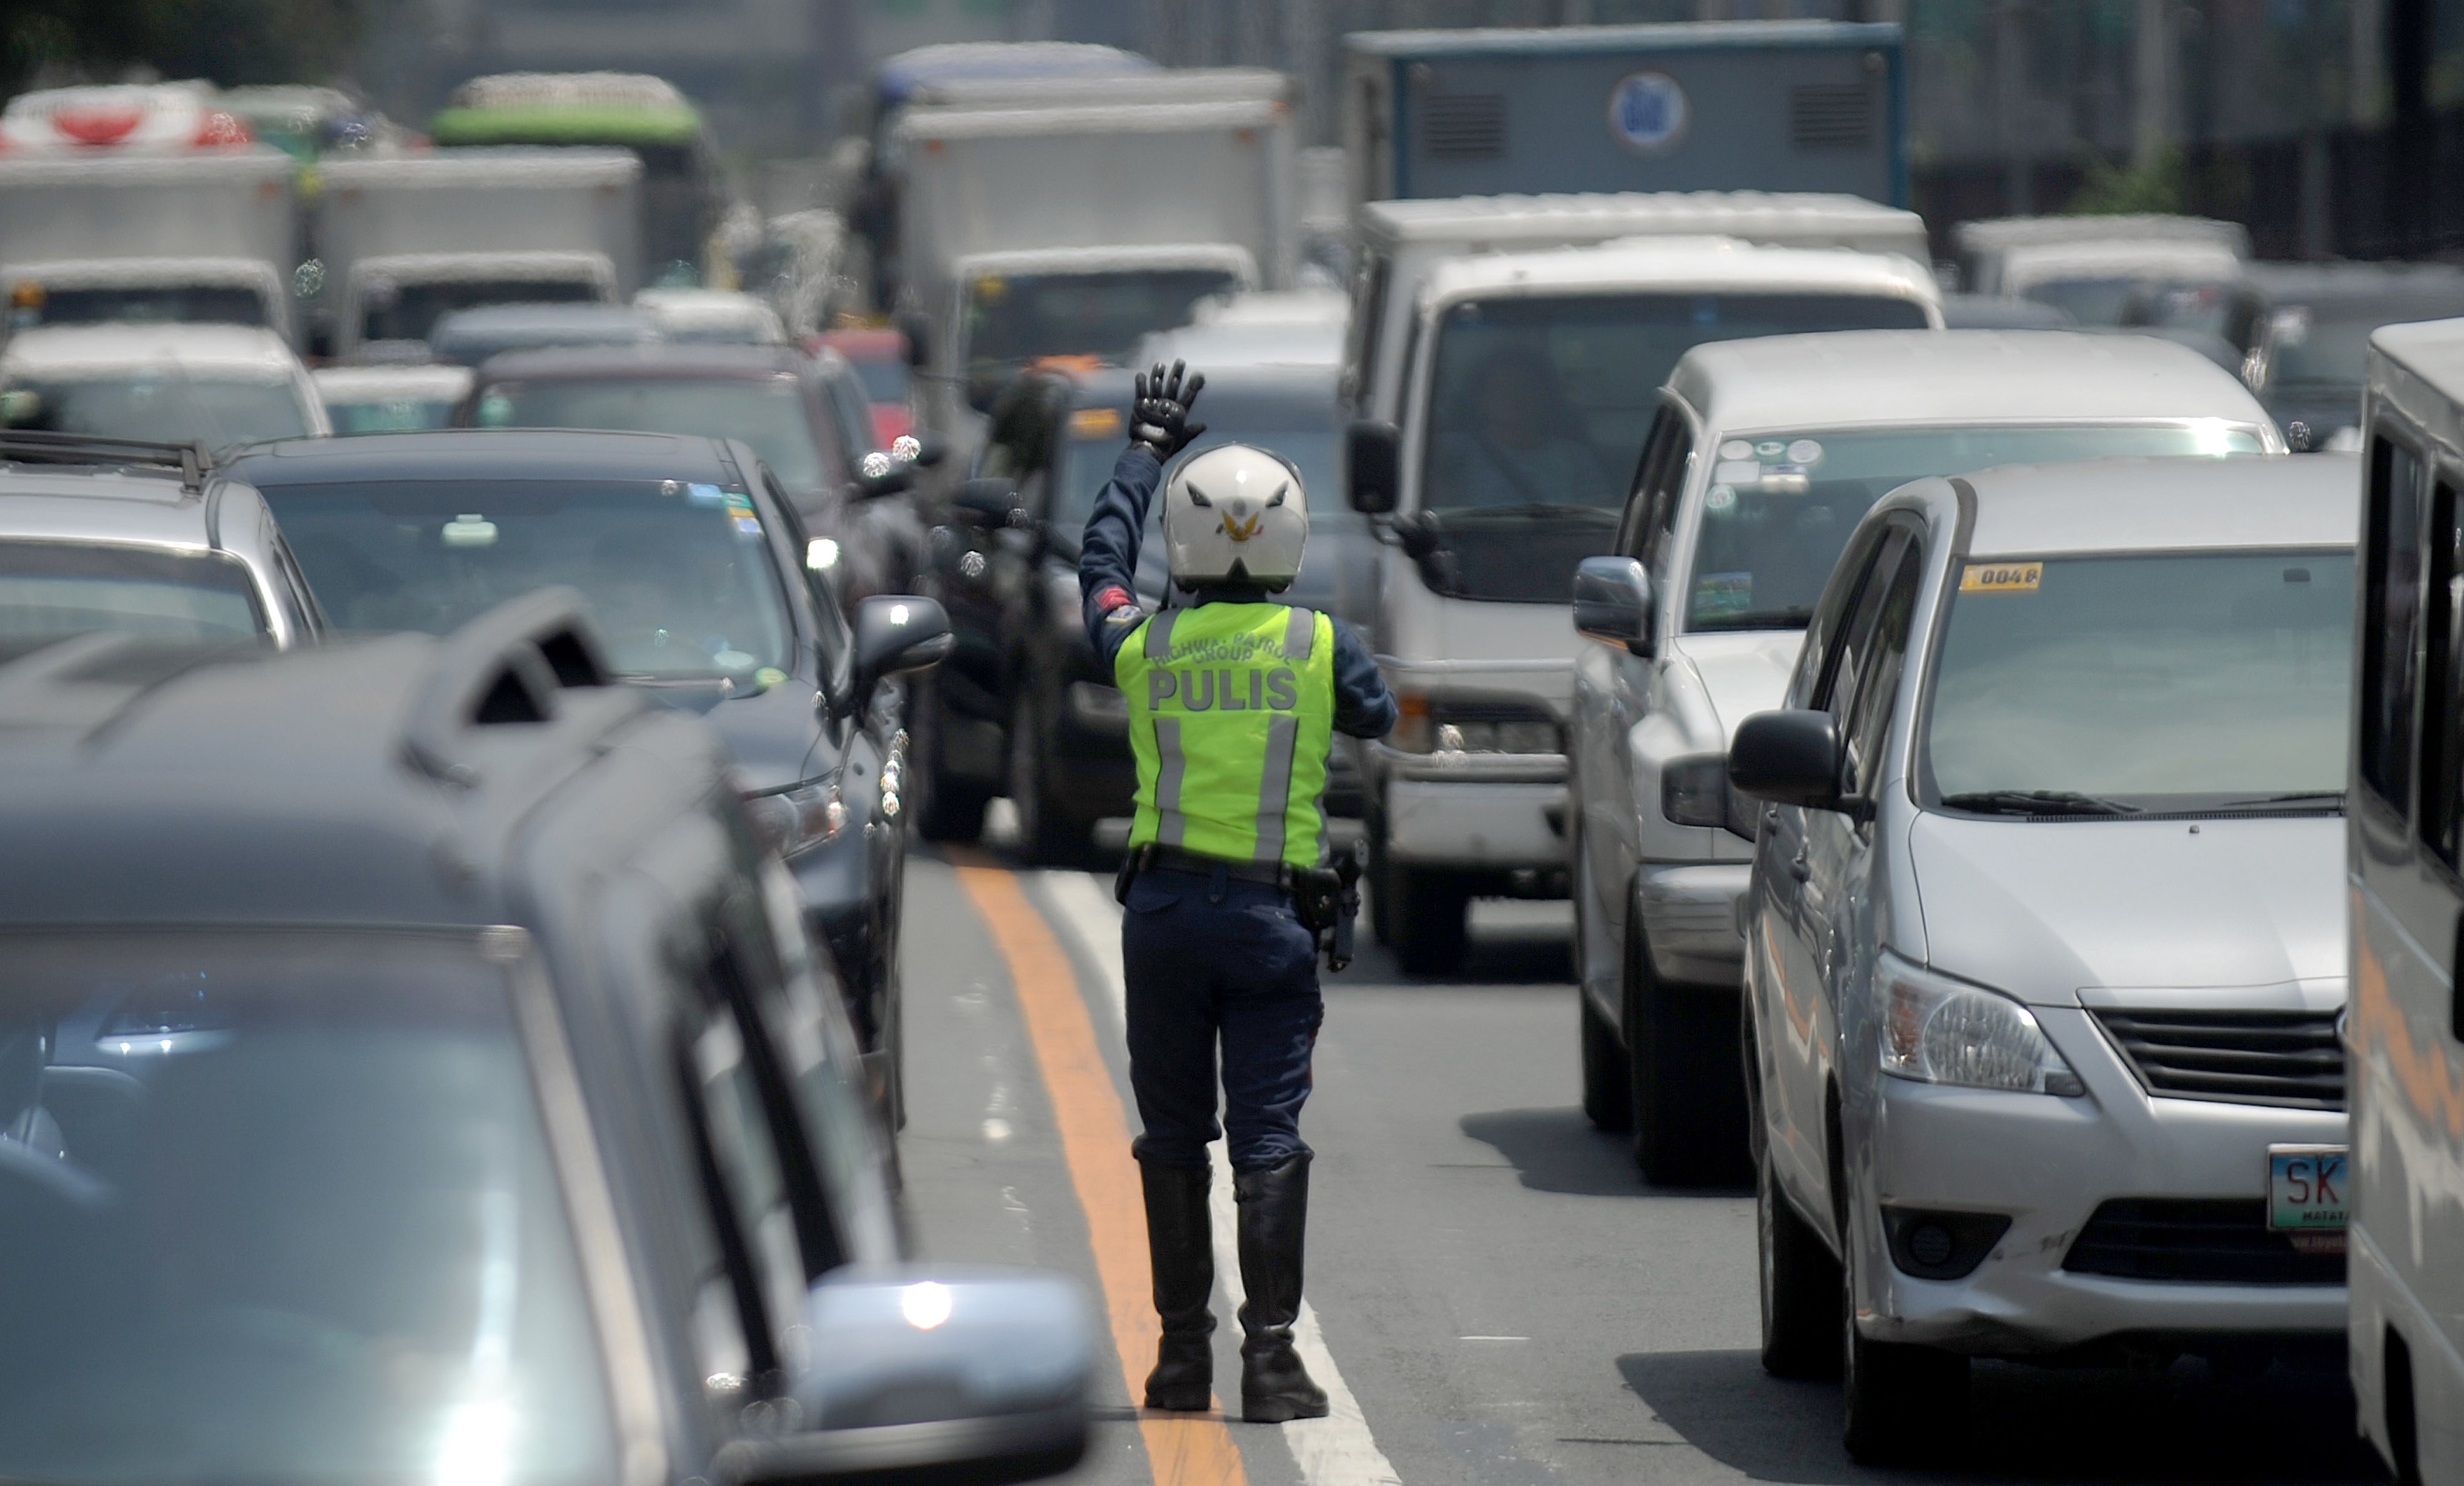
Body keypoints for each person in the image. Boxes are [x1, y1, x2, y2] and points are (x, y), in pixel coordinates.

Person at [1080, 362, 1396, 1424]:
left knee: (1172, 1135)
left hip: (1164, 920)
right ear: (1292, 535)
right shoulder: (1315, 645)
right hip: (1271, 926)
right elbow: (1379, 709)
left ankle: (1178, 1363)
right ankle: (1270, 1364)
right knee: (1266, 1136)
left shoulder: (1140, 643)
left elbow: (1098, 564)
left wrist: (1141, 452)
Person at [1429, 345, 1617, 508]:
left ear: (1546, 397)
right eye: (1499, 388)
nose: (1512, 397)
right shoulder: (1457, 450)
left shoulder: (1575, 457)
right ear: (1479, 399)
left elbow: (1599, 517)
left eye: (1524, 387)